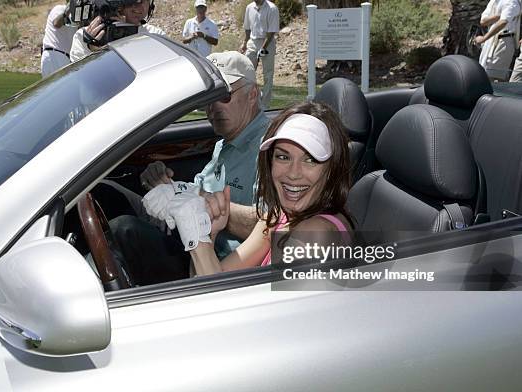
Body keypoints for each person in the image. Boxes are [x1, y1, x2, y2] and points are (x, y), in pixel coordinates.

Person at [107, 51, 268, 285]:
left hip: (221, 263)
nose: (213, 108)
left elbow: (269, 224)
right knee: (107, 192)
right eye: (207, 100)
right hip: (194, 241)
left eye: (223, 96)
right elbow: (200, 190)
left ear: (252, 95)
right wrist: (167, 185)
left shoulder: (270, 149)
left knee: (124, 229)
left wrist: (200, 202)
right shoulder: (226, 141)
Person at [155, 101, 353, 275]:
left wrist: (194, 231)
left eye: (310, 160)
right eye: (283, 157)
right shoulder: (276, 218)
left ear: (332, 169)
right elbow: (211, 283)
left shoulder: (315, 234)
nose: (293, 173)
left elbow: (216, 306)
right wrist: (207, 233)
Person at [69, 0, 164, 62]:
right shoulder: (83, 37)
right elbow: (80, 79)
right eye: (134, 2)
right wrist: (92, 50)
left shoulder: (154, 34)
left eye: (144, 1)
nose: (139, 8)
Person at [240, 0, 279, 108]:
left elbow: (271, 33)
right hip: (253, 42)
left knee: (268, 74)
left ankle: (265, 104)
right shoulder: (249, 7)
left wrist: (263, 49)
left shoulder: (272, 8)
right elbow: (247, 28)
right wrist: (245, 42)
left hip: (268, 42)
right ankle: (250, 100)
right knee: (247, 71)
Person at [474, 0, 521, 81]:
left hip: (504, 41)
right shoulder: (494, 1)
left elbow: (503, 22)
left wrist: (483, 38)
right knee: (486, 73)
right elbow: (483, 21)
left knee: (495, 77)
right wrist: (501, 15)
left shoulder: (512, 2)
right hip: (491, 42)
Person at [40, 3, 78, 78]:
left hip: (64, 58)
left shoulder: (77, 17)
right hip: (53, 54)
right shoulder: (59, 9)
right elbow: (56, 23)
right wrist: (68, 10)